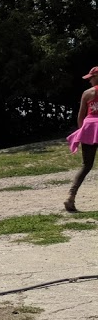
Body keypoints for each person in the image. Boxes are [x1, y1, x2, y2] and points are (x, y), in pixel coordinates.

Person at [65, 65, 98, 212]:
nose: (89, 81)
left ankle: (70, 197)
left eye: (91, 78)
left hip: (90, 128)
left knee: (86, 165)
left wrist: (82, 132)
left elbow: (80, 117)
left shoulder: (87, 93)